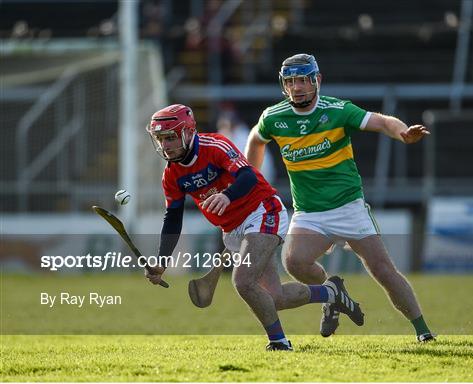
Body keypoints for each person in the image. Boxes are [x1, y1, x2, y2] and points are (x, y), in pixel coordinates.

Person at [245, 53, 435, 342]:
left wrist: (403, 132)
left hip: (349, 208)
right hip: (309, 213)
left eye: (303, 80)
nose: (297, 87)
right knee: (294, 262)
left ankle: (423, 332)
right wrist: (251, 181)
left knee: (383, 271)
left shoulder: (338, 110)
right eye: (290, 81)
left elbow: (382, 122)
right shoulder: (274, 117)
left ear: (317, 80)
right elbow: (256, 140)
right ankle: (333, 294)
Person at [144, 104, 365, 351]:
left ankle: (279, 343)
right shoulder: (171, 175)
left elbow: (248, 175)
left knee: (243, 281)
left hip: (262, 210)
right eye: (160, 139)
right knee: (275, 298)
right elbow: (173, 217)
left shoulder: (215, 145)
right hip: (233, 228)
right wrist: (162, 260)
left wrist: (227, 196)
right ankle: (331, 293)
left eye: (170, 137)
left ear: (187, 132)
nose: (165, 145)